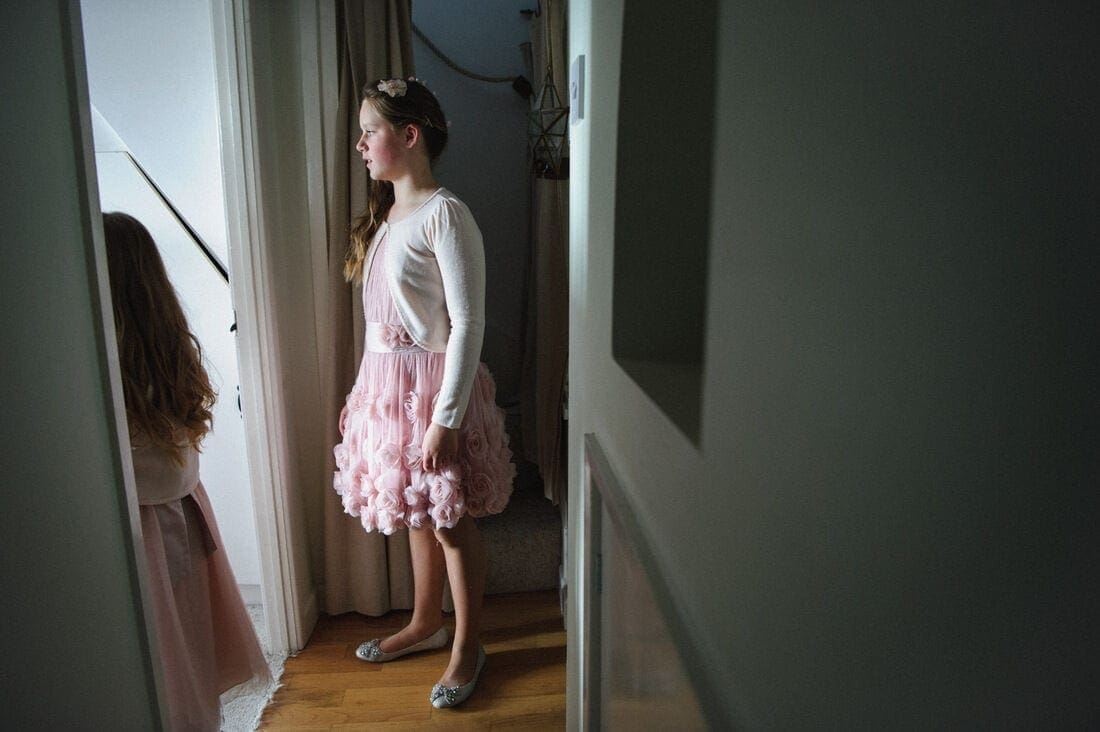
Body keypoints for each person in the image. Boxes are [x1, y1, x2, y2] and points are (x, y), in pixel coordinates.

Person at [332, 77, 515, 709]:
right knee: (415, 512)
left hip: (433, 393)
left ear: (409, 137)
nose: (359, 143)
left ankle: (468, 645)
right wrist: (364, 398)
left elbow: (467, 323)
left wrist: (447, 417)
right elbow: (379, 325)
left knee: (450, 520)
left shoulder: (445, 214)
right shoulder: (387, 218)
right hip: (390, 393)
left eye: (370, 131)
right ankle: (424, 622)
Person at [103, 212, 271, 731]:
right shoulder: (164, 349)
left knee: (162, 651)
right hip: (182, 511)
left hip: (151, 523)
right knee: (186, 639)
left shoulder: (110, 364)